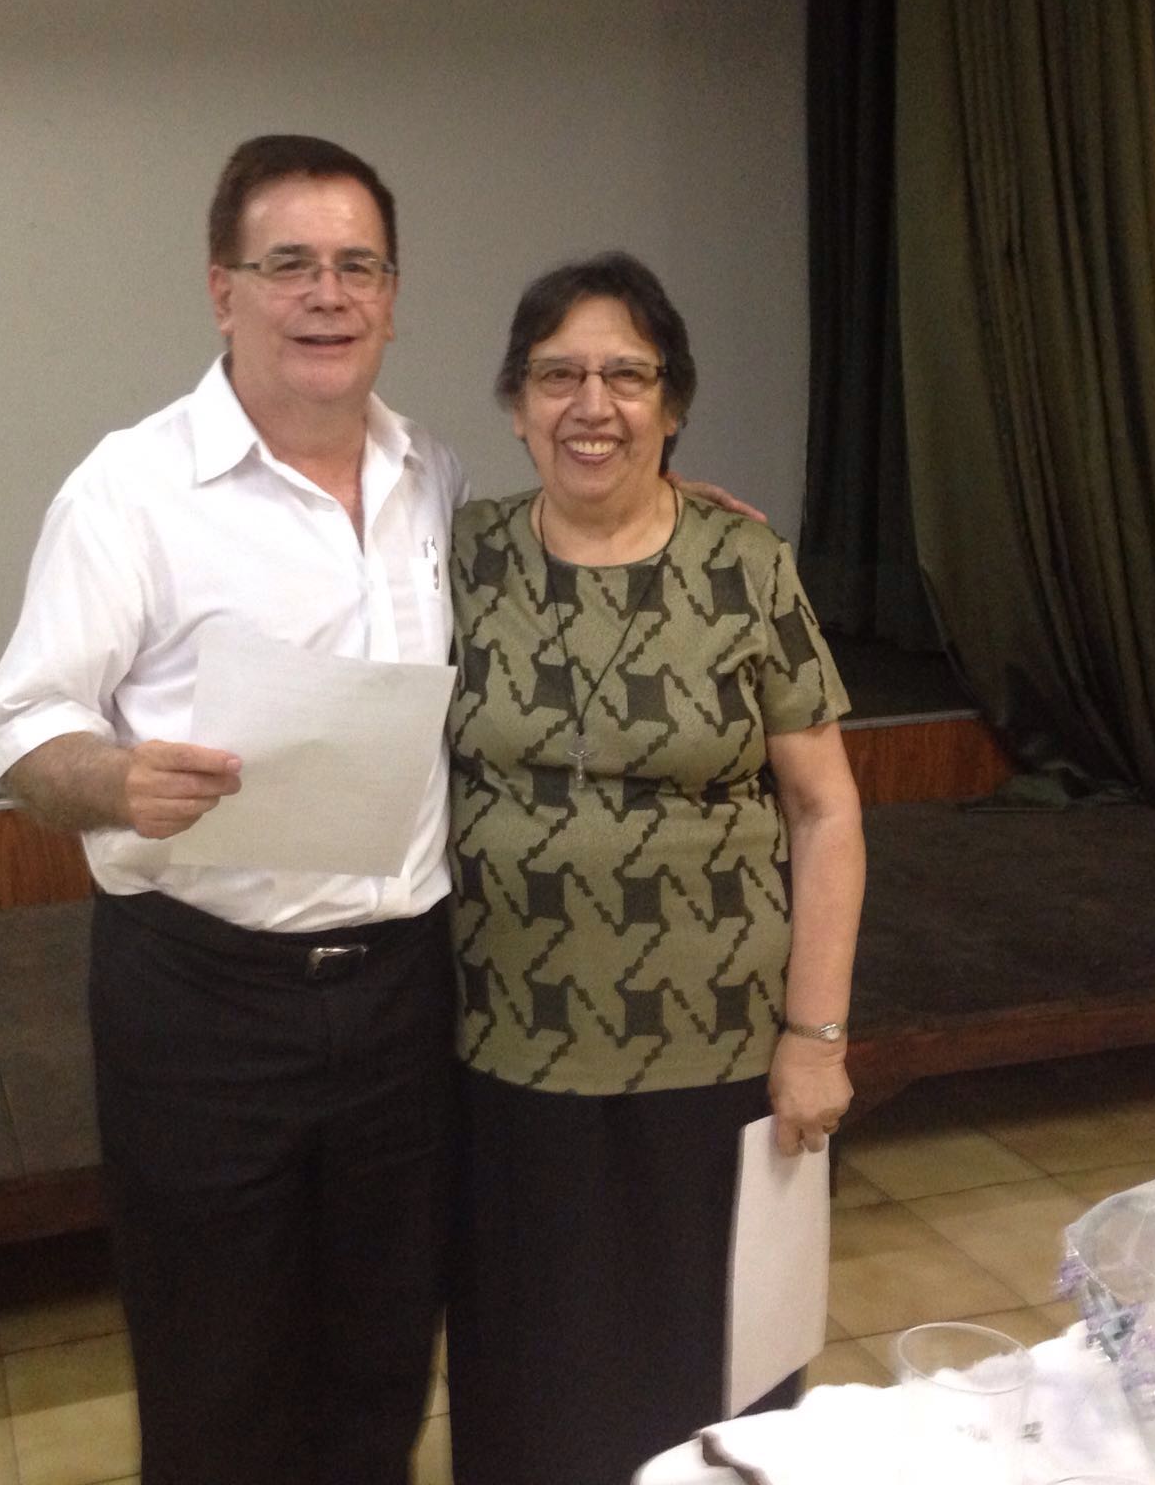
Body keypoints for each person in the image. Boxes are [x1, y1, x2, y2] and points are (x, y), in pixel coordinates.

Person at [0, 139, 758, 1484]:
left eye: (358, 266)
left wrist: (676, 507)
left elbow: (583, 518)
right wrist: (114, 778)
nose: (326, 294)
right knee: (217, 1374)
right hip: (206, 1003)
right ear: (223, 289)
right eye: (289, 264)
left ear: (393, 297)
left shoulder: (431, 479)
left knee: (383, 1361)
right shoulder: (131, 490)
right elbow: (22, 728)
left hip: (406, 996)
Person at [444, 251, 865, 1485]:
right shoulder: (457, 555)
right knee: (530, 1380)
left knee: (713, 1380)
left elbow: (825, 809)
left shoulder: (746, 566)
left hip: (720, 1060)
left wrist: (817, 1036)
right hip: (503, 1059)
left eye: (626, 376)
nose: (593, 405)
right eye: (557, 375)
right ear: (515, 404)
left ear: (671, 404)